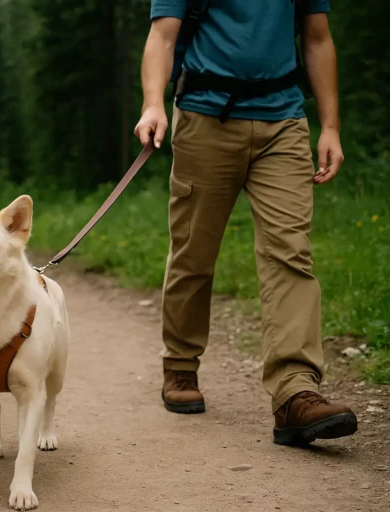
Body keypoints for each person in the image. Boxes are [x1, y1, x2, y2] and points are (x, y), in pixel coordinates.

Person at [135, 0, 358, 446]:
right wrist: (153, 104)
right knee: (194, 251)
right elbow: (163, 35)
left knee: (290, 254)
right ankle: (180, 363)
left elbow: (317, 37)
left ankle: (295, 391)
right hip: (204, 115)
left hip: (285, 122)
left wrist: (330, 126)